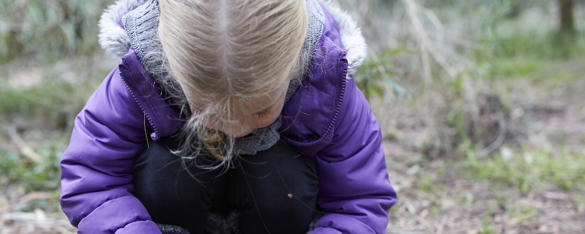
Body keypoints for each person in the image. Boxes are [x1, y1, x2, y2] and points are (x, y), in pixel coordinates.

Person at [59, 0, 397, 233]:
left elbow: (358, 202)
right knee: (161, 168)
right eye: (206, 111)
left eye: (261, 110)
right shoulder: (140, 75)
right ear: (172, 70)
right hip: (175, 207)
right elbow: (91, 178)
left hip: (277, 210)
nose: (240, 127)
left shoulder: (327, 82)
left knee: (284, 176)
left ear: (294, 65)